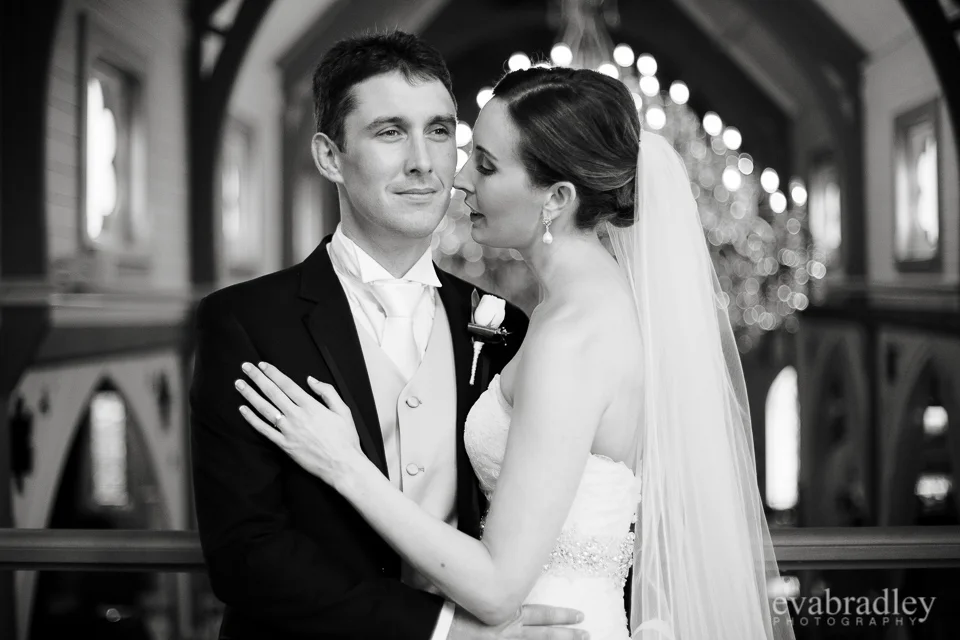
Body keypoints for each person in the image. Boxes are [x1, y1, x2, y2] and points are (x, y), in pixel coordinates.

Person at [236, 66, 796, 640]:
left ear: (556, 198)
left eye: (485, 165)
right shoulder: (578, 310)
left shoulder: (572, 334)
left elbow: (500, 586)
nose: (458, 181)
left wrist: (345, 465)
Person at [191, 32, 586, 640]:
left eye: (437, 131)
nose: (423, 163)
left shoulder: (505, 325)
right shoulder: (245, 323)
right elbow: (248, 556)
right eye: (389, 132)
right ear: (329, 157)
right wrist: (447, 633)